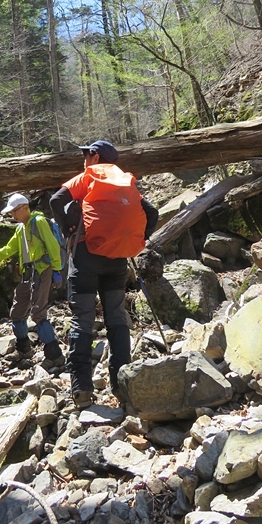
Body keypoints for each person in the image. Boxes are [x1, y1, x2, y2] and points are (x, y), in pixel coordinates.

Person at [50, 140, 158, 408]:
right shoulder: (125, 180)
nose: (83, 159)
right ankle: (121, 387)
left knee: (82, 320)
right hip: (117, 260)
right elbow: (152, 213)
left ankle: (82, 390)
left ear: (95, 156)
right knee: (117, 320)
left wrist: (67, 229)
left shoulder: (87, 177)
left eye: (86, 154)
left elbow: (56, 200)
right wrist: (137, 238)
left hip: (86, 257)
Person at [0, 193, 65, 368]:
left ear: (24, 208)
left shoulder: (38, 223)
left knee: (38, 314)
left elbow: (53, 247)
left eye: (14, 212)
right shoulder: (20, 229)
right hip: (27, 275)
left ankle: (55, 355)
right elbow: (8, 249)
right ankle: (24, 348)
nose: (12, 216)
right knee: (17, 312)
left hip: (42, 271)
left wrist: (57, 270)